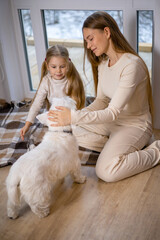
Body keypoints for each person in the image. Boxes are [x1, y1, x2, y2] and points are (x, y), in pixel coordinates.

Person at [48, 11, 160, 182]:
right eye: (86, 41)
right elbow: (101, 101)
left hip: (134, 125)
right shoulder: (102, 63)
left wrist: (73, 116)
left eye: (90, 38)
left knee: (106, 171)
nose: (88, 46)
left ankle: (155, 149)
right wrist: (75, 117)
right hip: (112, 124)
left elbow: (112, 111)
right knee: (73, 129)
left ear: (107, 32)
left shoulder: (132, 65)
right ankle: (120, 146)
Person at [20, 44, 85, 141]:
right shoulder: (46, 81)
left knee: (80, 133)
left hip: (71, 115)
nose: (58, 70)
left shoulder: (71, 80)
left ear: (68, 64)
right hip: (55, 115)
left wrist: (72, 121)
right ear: (48, 66)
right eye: (54, 67)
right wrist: (27, 124)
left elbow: (76, 106)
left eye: (62, 66)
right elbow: (37, 103)